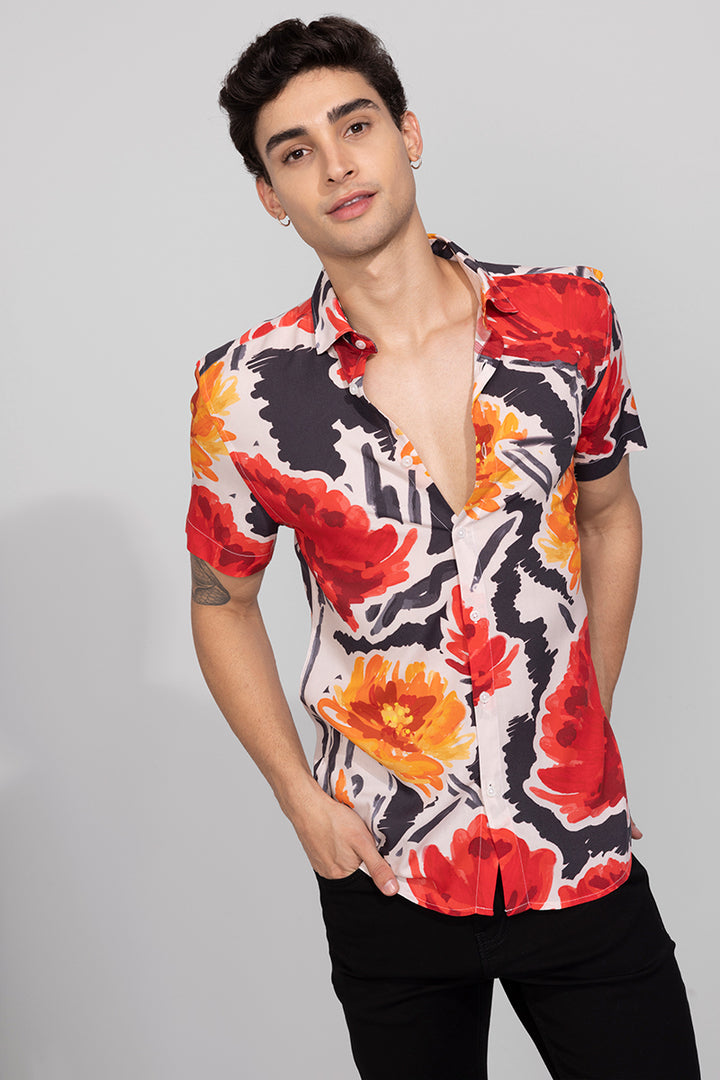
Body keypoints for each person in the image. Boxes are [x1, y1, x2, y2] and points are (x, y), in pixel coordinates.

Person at [186, 16, 700, 1080]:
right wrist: (298, 799)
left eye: (356, 125)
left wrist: (586, 713)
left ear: (408, 133)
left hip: (575, 852)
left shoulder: (569, 318)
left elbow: (611, 511)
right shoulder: (246, 394)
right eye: (295, 152)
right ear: (270, 196)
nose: (337, 166)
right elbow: (220, 598)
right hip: (387, 866)